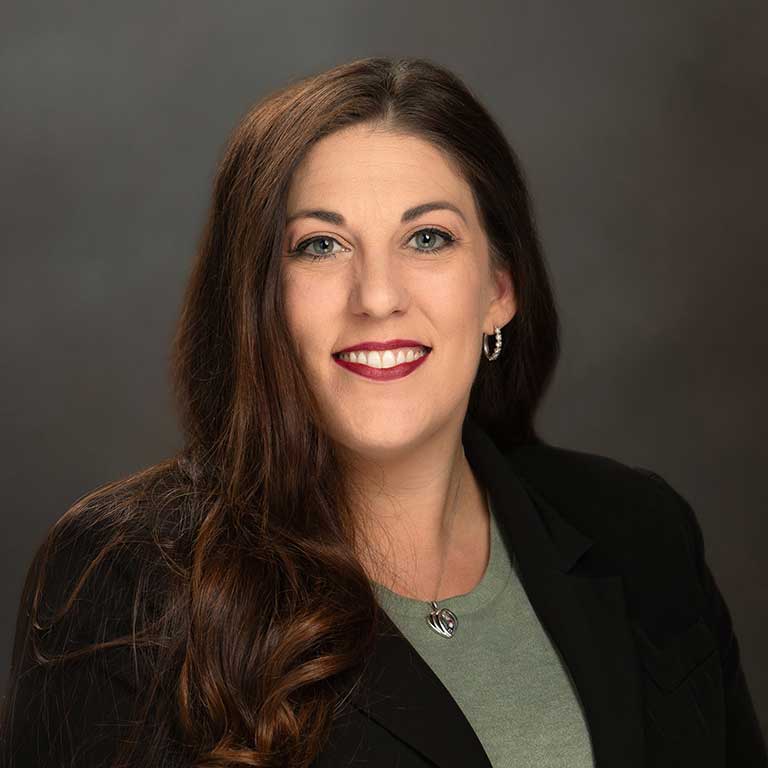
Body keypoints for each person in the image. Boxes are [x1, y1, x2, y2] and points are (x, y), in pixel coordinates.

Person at [1, 56, 765, 768]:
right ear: (257, 302)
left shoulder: (643, 533)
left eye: (427, 237)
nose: (376, 296)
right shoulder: (122, 583)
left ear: (499, 289)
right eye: (320, 246)